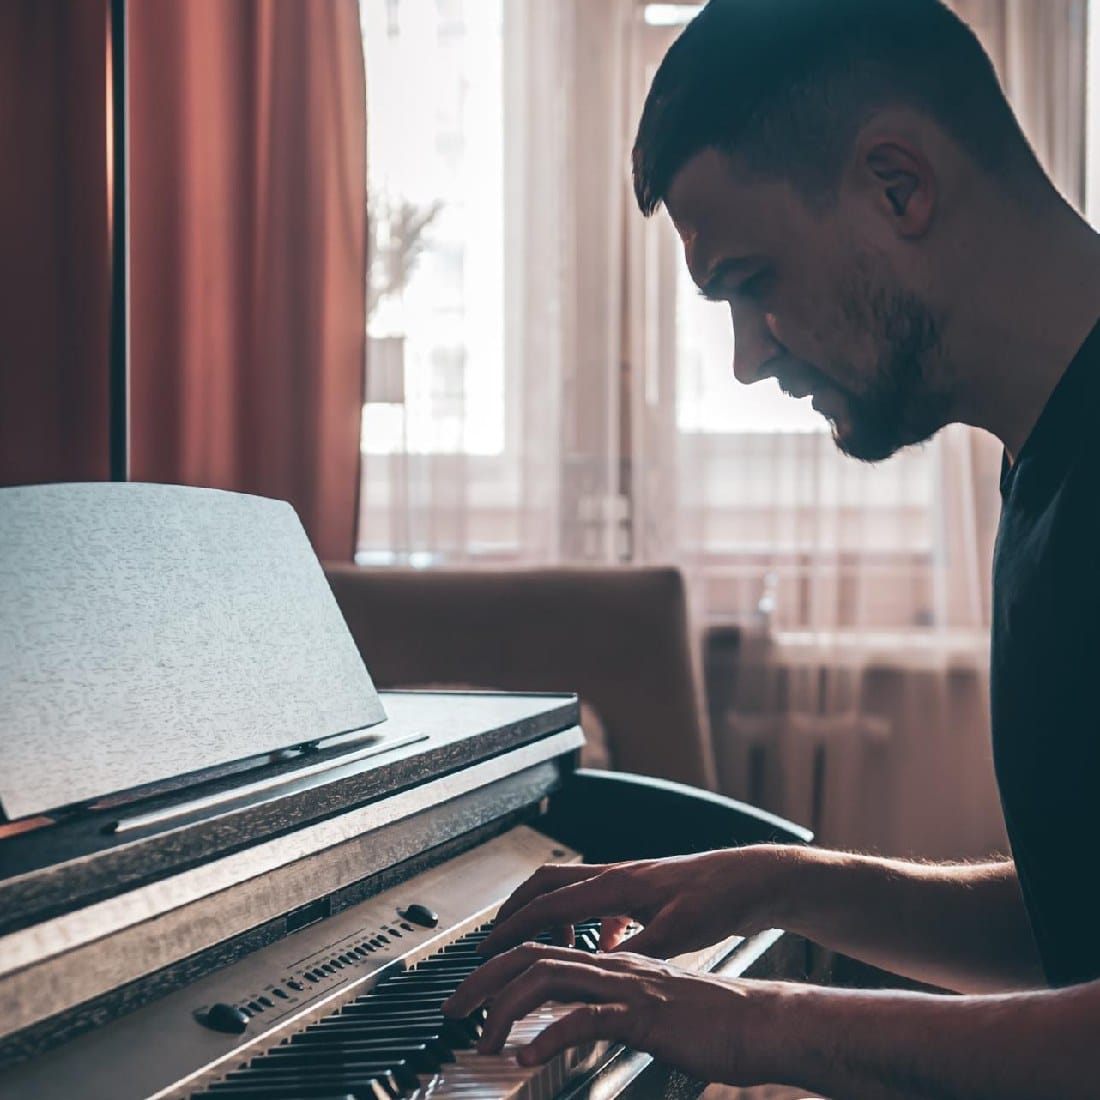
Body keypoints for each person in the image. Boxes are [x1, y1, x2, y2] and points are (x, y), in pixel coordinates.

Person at [441, 1, 1100, 1096]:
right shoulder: (1050, 453)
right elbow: (1074, 917)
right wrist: (783, 882)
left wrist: (760, 1022)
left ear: (898, 185)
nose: (747, 358)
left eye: (751, 282)